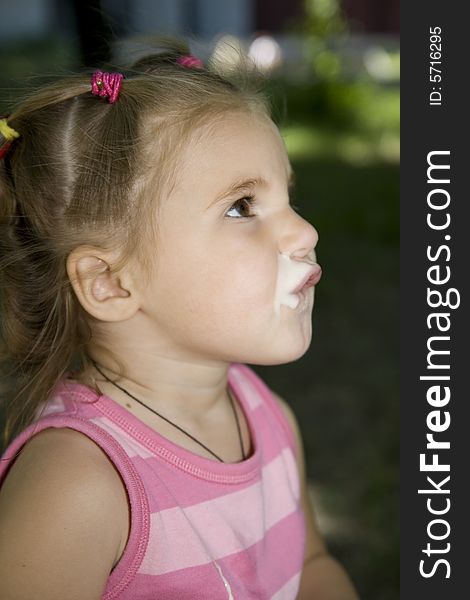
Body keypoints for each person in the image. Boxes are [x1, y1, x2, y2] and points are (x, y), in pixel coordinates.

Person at [0, 37, 359, 599]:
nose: (305, 232)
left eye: (288, 197)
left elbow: (311, 566)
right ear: (110, 283)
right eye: (242, 207)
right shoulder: (80, 484)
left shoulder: (268, 419)